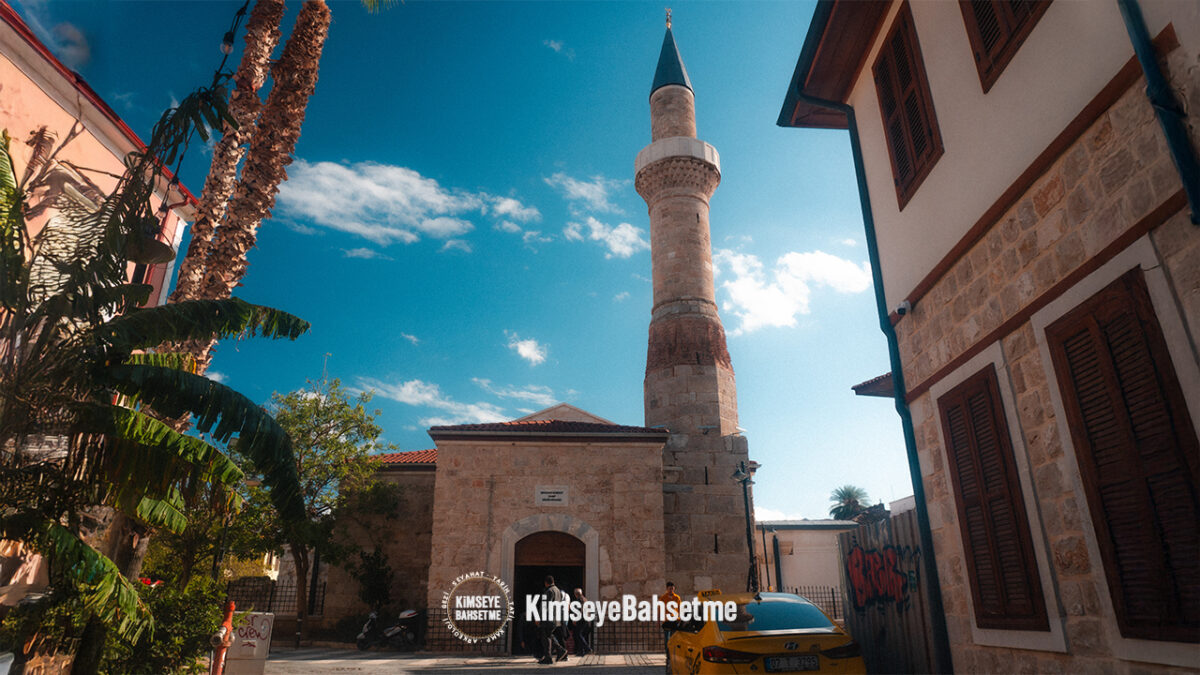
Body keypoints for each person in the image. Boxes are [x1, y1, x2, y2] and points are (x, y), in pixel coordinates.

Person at [537, 575, 568, 665]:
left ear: (546, 583)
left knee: (545, 637)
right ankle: (555, 653)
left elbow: (545, 606)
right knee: (549, 636)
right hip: (555, 618)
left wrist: (539, 617)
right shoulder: (558, 590)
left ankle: (552, 655)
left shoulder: (549, 591)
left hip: (548, 618)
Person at [659, 581, 681, 670]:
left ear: (674, 588)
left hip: (675, 621)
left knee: (673, 639)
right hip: (667, 621)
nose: (671, 590)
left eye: (672, 588)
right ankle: (668, 656)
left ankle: (672, 655)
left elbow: (679, 608)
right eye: (669, 588)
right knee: (667, 639)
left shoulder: (677, 598)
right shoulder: (663, 598)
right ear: (667, 589)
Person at [570, 588, 593, 656]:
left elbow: (579, 611)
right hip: (586, 619)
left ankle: (587, 648)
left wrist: (575, 619)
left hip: (581, 619)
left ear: (575, 594)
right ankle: (581, 651)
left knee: (578, 635)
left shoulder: (579, 600)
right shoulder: (585, 599)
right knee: (581, 635)